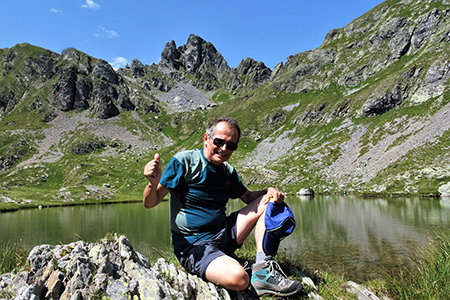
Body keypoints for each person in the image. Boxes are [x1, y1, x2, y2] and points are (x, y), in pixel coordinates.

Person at [143, 117, 302, 296]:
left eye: (231, 145)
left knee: (268, 201)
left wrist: (268, 191)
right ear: (206, 138)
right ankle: (233, 265)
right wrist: (152, 183)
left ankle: (263, 270)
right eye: (219, 142)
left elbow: (248, 197)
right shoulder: (184, 162)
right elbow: (150, 202)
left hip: (223, 233)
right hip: (194, 246)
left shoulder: (228, 171)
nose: (224, 148)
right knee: (240, 279)